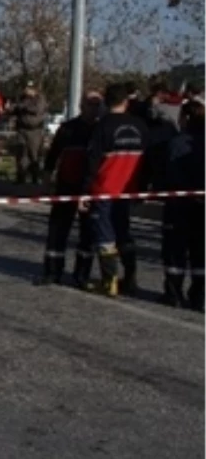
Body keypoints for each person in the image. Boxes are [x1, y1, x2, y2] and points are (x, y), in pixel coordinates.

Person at [79, 83, 148, 297]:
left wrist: (84, 191)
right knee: (124, 233)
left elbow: (92, 162)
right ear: (126, 102)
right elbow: (146, 161)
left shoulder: (102, 127)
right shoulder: (140, 126)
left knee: (105, 236)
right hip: (127, 189)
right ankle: (130, 278)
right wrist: (142, 188)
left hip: (105, 188)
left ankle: (110, 282)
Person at [35, 90, 102, 288]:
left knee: (87, 233)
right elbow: (52, 156)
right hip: (66, 185)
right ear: (82, 105)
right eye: (90, 103)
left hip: (90, 188)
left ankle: (82, 274)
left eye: (98, 104)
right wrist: (46, 182)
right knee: (57, 230)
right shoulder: (68, 129)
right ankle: (52, 271)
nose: (94, 108)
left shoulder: (101, 131)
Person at [160, 100, 206, 308]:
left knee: (174, 251)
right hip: (201, 207)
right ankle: (199, 294)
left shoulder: (178, 143)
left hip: (178, 206)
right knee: (200, 252)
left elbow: (170, 174)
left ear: (186, 118)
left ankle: (174, 292)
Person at [12, 81, 47, 184]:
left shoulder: (40, 99)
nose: (27, 90)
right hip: (22, 129)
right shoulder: (22, 98)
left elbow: (37, 110)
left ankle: (35, 178)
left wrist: (23, 107)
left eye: (29, 88)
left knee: (34, 155)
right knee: (22, 154)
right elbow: (15, 109)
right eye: (26, 88)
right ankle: (21, 177)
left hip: (34, 131)